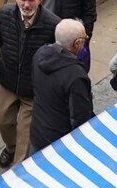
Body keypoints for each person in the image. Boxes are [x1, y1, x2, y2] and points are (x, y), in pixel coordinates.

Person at [0, 0, 57, 169]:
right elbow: (1, 40)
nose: (26, 4)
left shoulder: (52, 24)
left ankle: (17, 172)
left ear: (40, 0)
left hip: (33, 87)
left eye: (31, 0)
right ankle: (10, 147)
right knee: (2, 120)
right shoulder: (5, 15)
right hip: (8, 79)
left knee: (25, 133)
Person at [30, 17, 93, 153]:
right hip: (60, 143)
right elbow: (80, 117)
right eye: (84, 38)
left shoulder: (40, 54)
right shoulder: (76, 76)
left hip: (38, 131)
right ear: (77, 43)